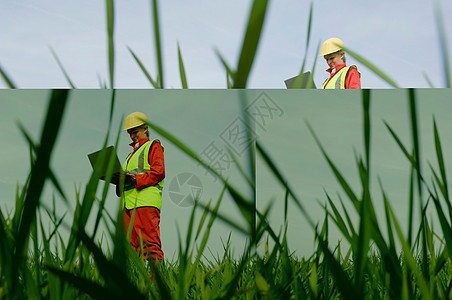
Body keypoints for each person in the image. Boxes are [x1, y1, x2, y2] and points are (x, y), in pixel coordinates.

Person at [116, 111, 165, 260]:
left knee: (150, 245)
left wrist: (136, 179)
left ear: (145, 128)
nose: (132, 136)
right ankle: (135, 280)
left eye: (135, 132)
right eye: (130, 133)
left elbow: (159, 172)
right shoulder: (129, 157)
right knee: (129, 248)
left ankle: (157, 281)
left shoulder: (153, 146)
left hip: (145, 203)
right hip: (128, 205)